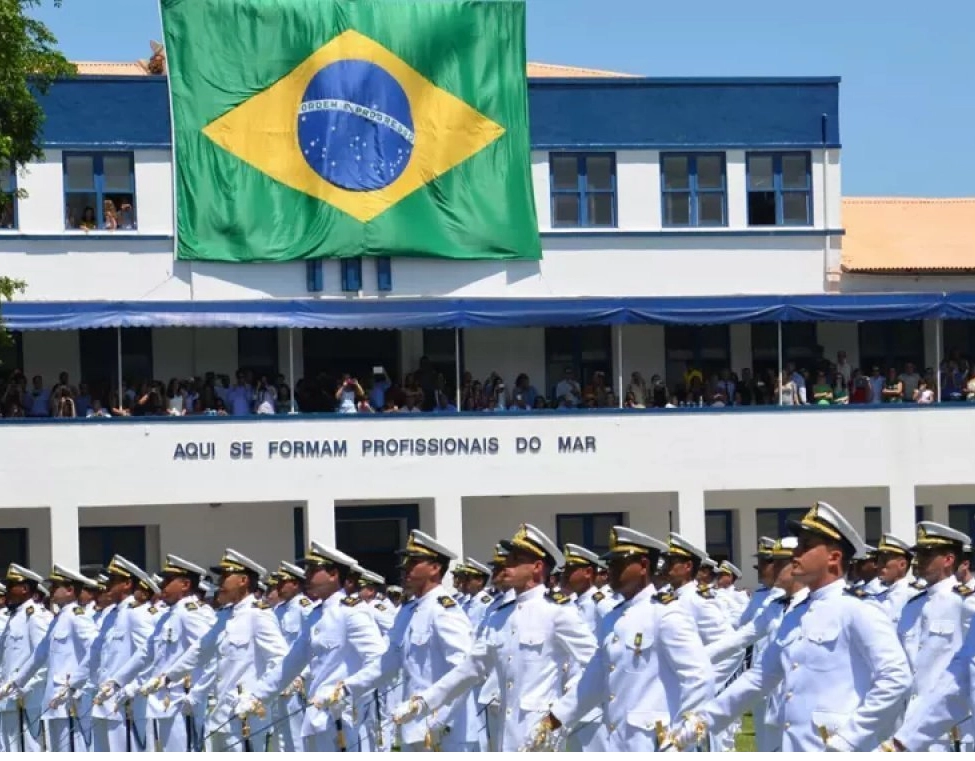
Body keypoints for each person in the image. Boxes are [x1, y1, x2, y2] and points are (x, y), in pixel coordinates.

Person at [666, 501, 912, 752]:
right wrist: (700, 723)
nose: (795, 554)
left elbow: (896, 678)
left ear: (834, 558)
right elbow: (759, 677)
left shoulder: (859, 610)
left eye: (806, 546)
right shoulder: (797, 613)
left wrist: (850, 738)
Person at [391, 523, 597, 752]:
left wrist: (557, 717)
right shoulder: (501, 615)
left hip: (540, 733)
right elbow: (471, 668)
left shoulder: (557, 612)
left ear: (538, 567)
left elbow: (596, 666)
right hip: (505, 733)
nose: (507, 565)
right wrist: (425, 701)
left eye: (516, 560)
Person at [528, 527, 712, 751]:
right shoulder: (614, 618)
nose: (610, 570)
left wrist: (683, 737)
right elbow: (592, 681)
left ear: (643, 565)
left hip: (655, 742)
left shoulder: (665, 614)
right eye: (610, 564)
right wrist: (552, 720)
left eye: (619, 564)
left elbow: (699, 676)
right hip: (617, 741)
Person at [151, 549, 288, 752]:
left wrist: (257, 697)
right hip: (220, 714)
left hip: (246, 716)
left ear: (243, 580)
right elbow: (200, 649)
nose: (220, 582)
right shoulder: (225, 616)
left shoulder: (258, 615)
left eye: (225, 576)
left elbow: (279, 660)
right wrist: (169, 677)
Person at [103, 555, 216, 752]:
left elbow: (211, 655)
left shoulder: (190, 613)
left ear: (185, 584)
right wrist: (117, 681)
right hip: (163, 703)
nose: (162, 585)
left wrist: (198, 695)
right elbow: (146, 653)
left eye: (169, 580)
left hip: (183, 703)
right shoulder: (168, 615)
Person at [0, 565, 99, 752]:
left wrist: (76, 683)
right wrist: (15, 683)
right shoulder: (58, 618)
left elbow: (95, 651)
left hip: (71, 698)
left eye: (56, 586)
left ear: (70, 590)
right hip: (54, 699)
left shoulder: (77, 617)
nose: (51, 590)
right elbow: (39, 656)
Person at [0, 564, 53, 752]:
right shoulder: (14, 616)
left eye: (12, 585)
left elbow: (43, 658)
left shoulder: (34, 616)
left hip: (26, 698)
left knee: (29, 747)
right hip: (8, 698)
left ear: (25, 588)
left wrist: (24, 687)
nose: (7, 590)